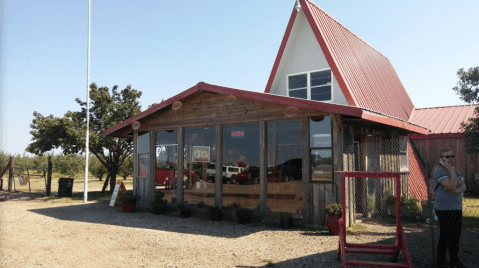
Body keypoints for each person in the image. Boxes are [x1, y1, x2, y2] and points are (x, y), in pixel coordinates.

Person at [433, 148, 467, 268]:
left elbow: (464, 186)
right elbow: (452, 184)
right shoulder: (438, 170)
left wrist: (454, 190)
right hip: (444, 208)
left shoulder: (456, 170)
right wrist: (451, 171)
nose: (451, 159)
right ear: (440, 159)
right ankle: (441, 261)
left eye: (452, 156)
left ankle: (454, 260)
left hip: (456, 207)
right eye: (447, 157)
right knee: (445, 235)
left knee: (456, 235)